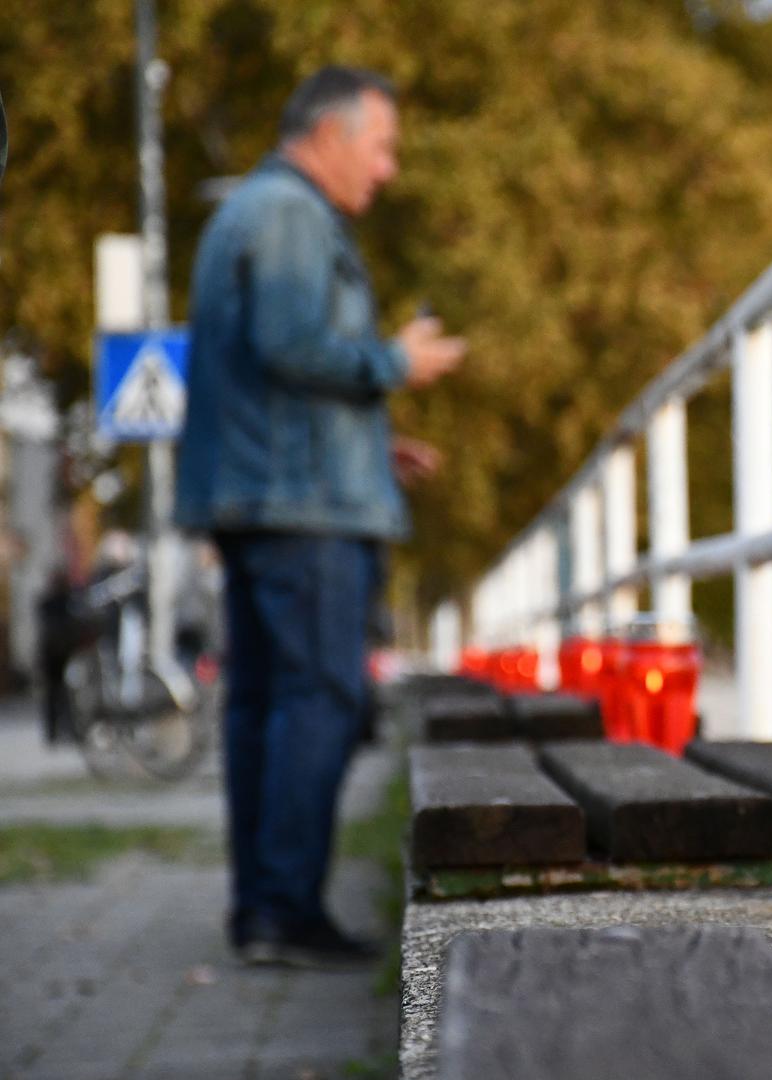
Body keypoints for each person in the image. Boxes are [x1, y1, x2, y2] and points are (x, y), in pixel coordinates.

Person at [176, 66, 464, 967]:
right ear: (330, 135)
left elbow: (263, 374)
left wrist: (370, 443)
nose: (386, 170)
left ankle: (263, 911)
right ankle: (287, 910)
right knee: (324, 698)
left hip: (270, 492)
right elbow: (294, 345)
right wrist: (393, 363)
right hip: (305, 511)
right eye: (381, 147)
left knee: (265, 703)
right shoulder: (293, 214)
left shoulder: (252, 211)